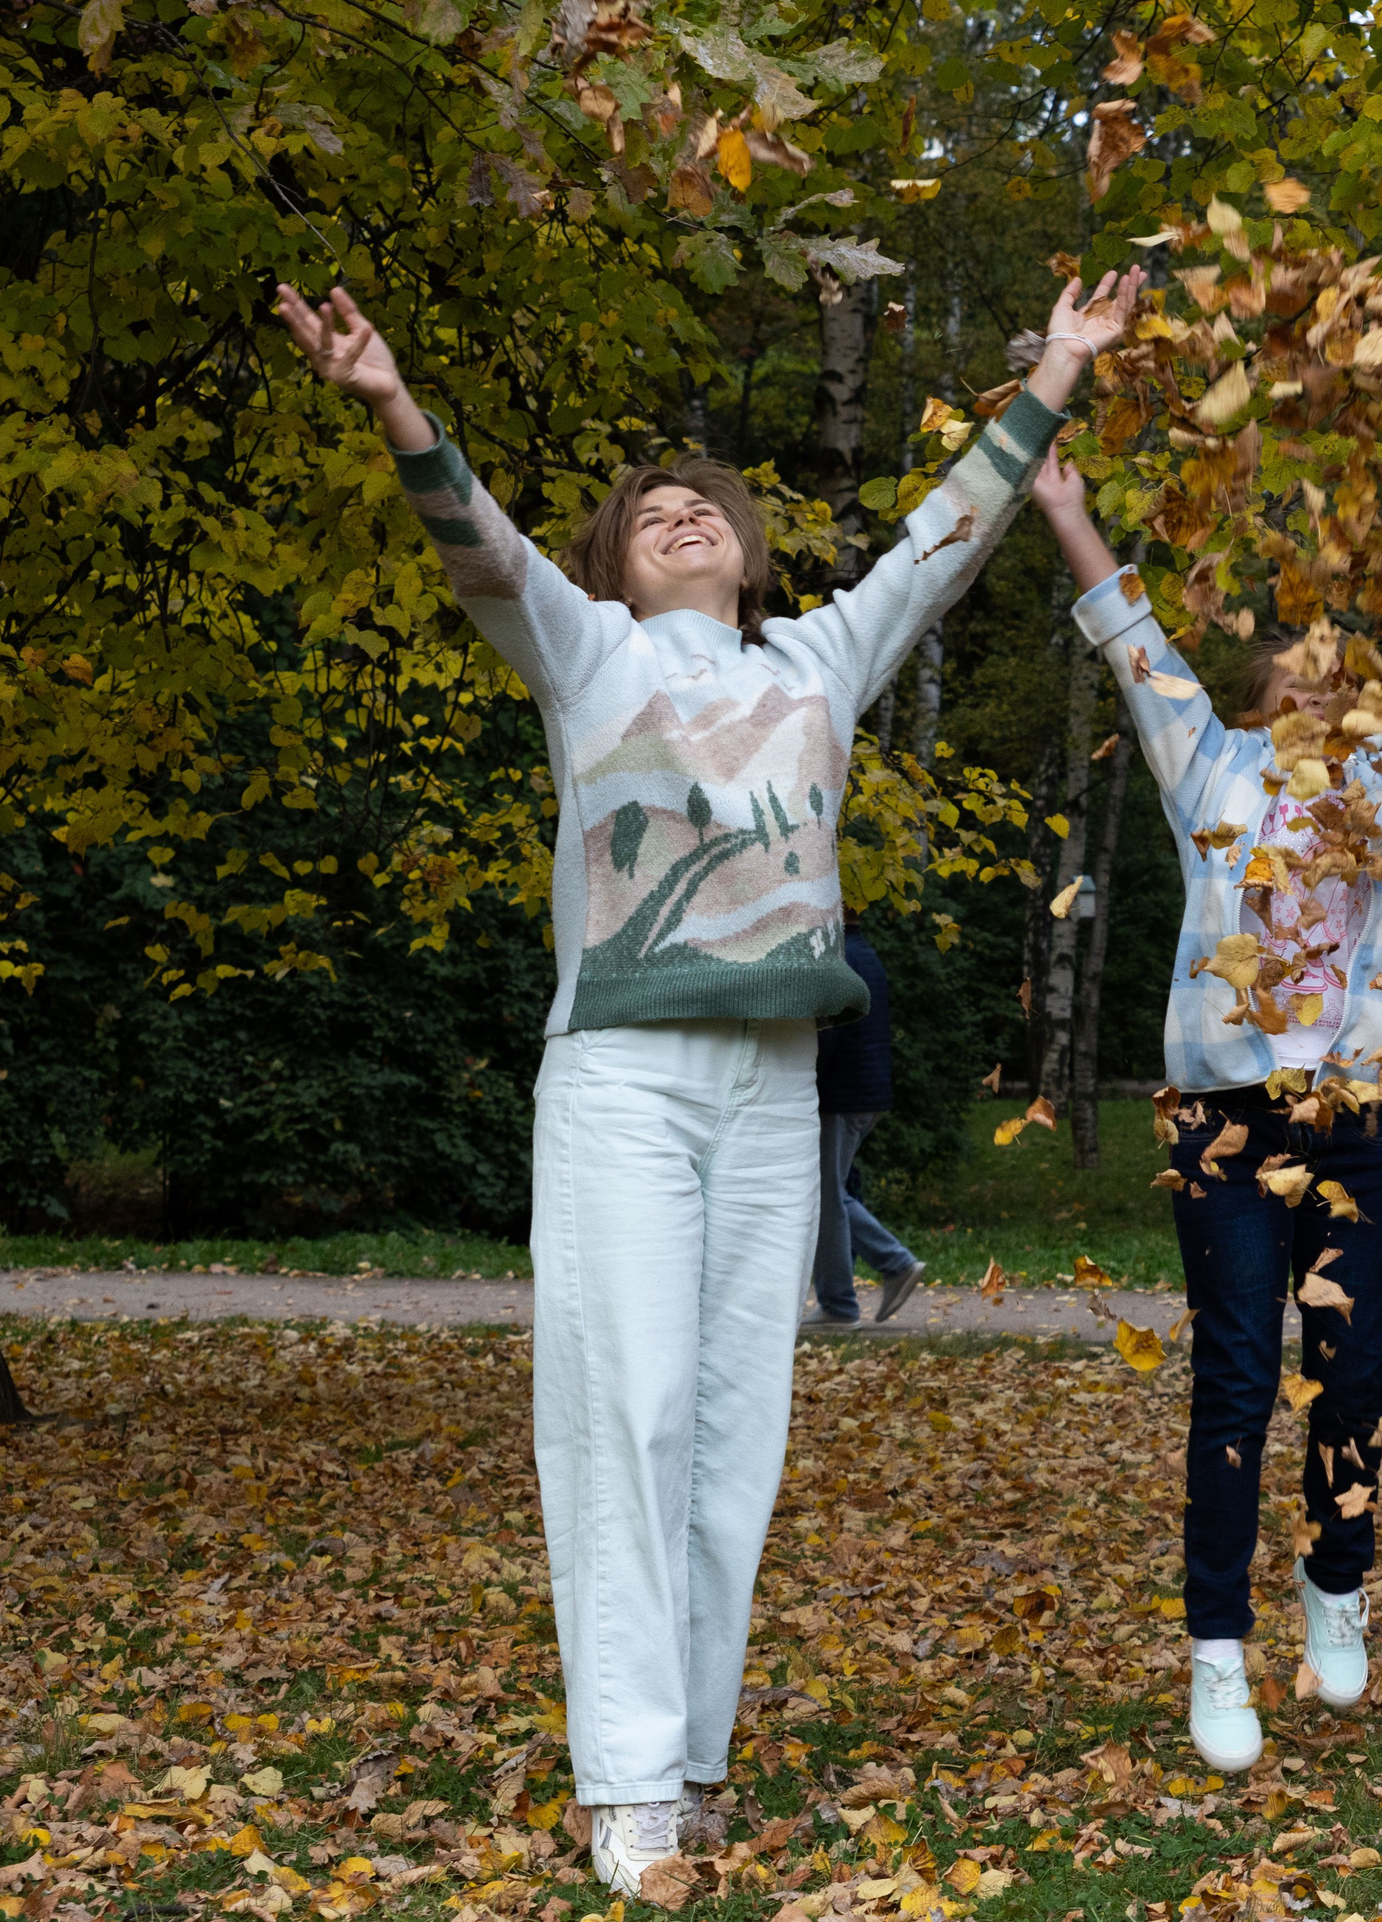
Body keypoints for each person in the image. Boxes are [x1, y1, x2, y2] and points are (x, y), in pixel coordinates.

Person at [274, 268, 1141, 1897]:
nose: (680, 515)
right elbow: (483, 549)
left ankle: (687, 1757)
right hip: (626, 1081)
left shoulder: (818, 660)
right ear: (615, 562)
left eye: (705, 507)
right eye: (648, 513)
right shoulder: (588, 652)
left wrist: (1056, 376)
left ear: (747, 551)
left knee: (736, 1434)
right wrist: (393, 403)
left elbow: (942, 543)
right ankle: (627, 1794)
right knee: (631, 1413)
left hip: (773, 1091)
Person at [1030, 431, 1382, 1772]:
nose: (1322, 699)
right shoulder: (1212, 776)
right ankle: (1217, 1649)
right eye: (1298, 682)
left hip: (1352, 1129)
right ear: (1259, 704)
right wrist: (1064, 508)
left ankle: (1336, 1579)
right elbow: (1135, 647)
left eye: (1345, 689)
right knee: (1234, 1379)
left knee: (1354, 1373)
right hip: (1225, 1125)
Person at [805, 919, 926, 1326]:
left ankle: (849, 1298)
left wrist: (805, 1083)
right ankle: (866, 1282)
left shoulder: (837, 957)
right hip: (859, 1092)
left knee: (825, 1196)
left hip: (840, 1095)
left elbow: (829, 1034)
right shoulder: (861, 952)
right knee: (829, 1192)